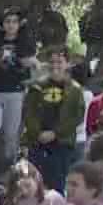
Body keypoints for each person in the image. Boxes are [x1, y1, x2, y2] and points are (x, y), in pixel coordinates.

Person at [24, 46, 85, 188]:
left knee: (56, 184)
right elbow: (29, 112)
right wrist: (37, 133)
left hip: (61, 144)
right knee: (33, 184)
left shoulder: (75, 90)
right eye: (52, 62)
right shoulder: (37, 87)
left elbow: (76, 117)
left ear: (68, 64)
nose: (55, 66)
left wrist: (55, 133)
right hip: (37, 143)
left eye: (59, 62)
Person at [0, 8, 37, 163]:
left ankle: (8, 167)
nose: (11, 25)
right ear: (3, 24)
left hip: (15, 93)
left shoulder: (25, 42)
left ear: (19, 25)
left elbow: (34, 63)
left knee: (10, 135)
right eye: (8, 21)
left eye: (14, 22)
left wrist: (29, 66)